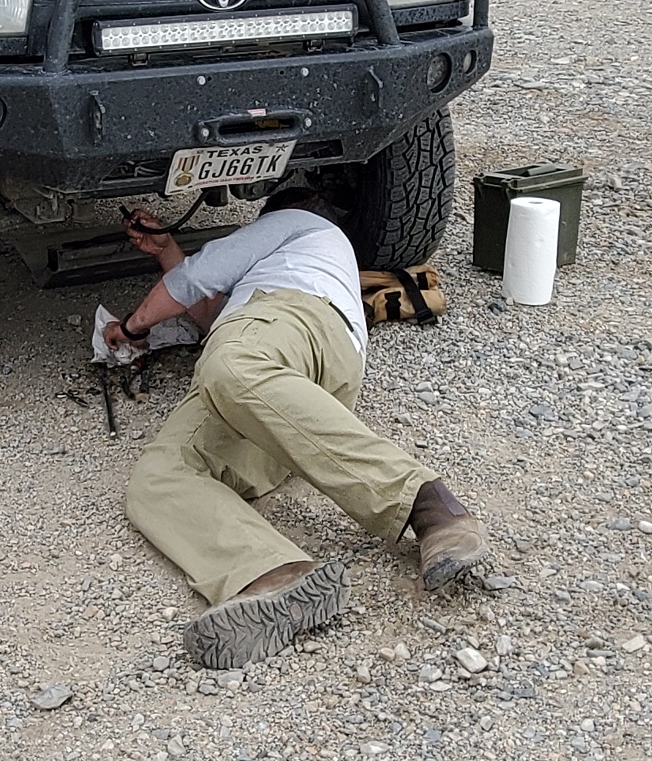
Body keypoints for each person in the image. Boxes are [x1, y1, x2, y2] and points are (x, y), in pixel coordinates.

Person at [103, 187, 490, 670]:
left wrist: (133, 328)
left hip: (288, 325)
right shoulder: (314, 262)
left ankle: (430, 506)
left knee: (229, 365)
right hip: (298, 391)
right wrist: (165, 251)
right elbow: (212, 317)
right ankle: (270, 572)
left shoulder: (301, 225)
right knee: (158, 478)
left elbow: (197, 278)